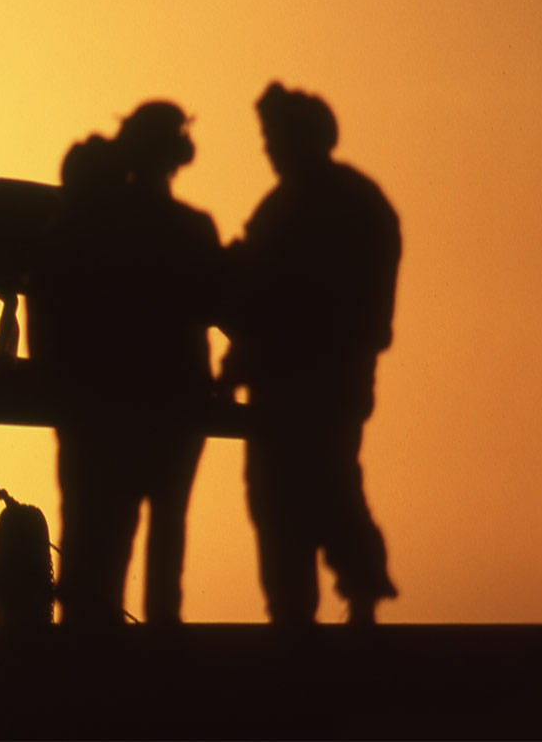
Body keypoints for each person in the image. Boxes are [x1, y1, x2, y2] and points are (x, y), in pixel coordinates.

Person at [222, 82, 401, 626]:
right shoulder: (355, 204)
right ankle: (324, 607)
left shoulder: (295, 211)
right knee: (317, 489)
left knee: (303, 493)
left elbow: (261, 298)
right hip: (323, 380)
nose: (268, 149)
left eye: (274, 137)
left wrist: (235, 368)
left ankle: (312, 612)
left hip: (306, 382)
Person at [40, 103, 223, 627]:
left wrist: (58, 390)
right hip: (173, 408)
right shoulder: (191, 230)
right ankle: (159, 642)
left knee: (94, 544)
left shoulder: (81, 228)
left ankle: (90, 650)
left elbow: (49, 308)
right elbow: (221, 302)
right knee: (166, 536)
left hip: (97, 411)